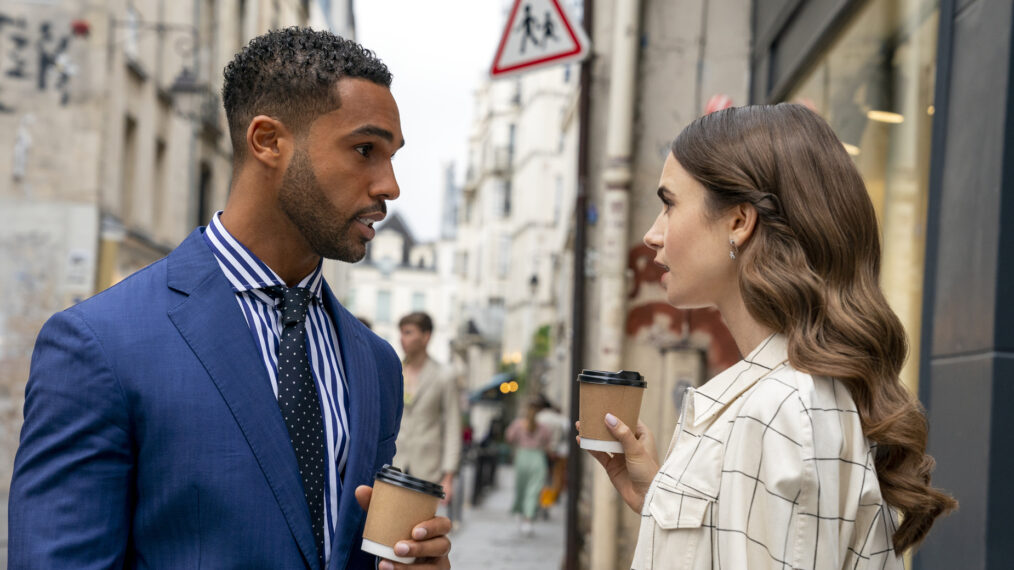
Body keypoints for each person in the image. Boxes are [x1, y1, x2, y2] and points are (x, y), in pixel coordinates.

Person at [9, 28, 451, 570]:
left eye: (392, 157)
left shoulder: (376, 363)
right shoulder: (100, 344)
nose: (389, 185)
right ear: (267, 141)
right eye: (365, 150)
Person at [583, 104, 956, 569]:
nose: (652, 234)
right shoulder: (776, 398)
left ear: (739, 221)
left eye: (669, 203)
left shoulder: (784, 407)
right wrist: (663, 496)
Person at [392, 312, 462, 507]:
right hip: (393, 465)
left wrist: (448, 477)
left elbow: (453, 427)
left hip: (428, 470)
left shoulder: (444, 375)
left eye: (408, 332)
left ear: (426, 336)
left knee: (418, 533)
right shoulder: (393, 370)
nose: (402, 338)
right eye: (401, 332)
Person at [505, 398, 552, 537]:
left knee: (521, 488)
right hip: (537, 457)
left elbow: (509, 437)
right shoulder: (542, 427)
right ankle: (528, 518)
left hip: (522, 456)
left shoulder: (518, 425)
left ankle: (521, 513)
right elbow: (548, 442)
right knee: (533, 489)